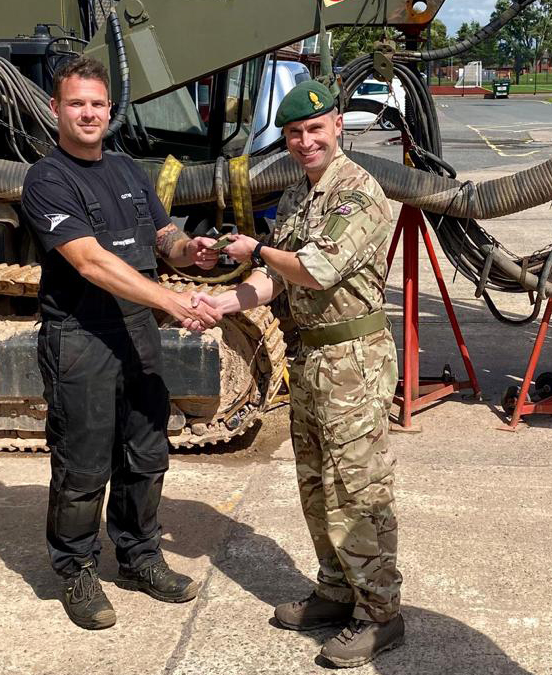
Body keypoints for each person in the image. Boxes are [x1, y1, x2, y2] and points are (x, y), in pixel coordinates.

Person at [188, 80, 403, 668]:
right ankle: (336, 591)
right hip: (309, 358)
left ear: (337, 126)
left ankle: (381, 613)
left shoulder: (358, 193)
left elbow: (313, 268)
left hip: (353, 362)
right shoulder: (296, 197)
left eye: (315, 129)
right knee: (316, 484)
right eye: (294, 134)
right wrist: (222, 305)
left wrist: (254, 250)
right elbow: (275, 280)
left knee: (358, 488)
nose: (306, 141)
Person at [20, 57, 222, 630]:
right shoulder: (48, 178)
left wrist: (192, 252)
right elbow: (89, 261)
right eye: (77, 103)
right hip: (81, 337)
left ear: (110, 110)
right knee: (83, 466)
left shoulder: (128, 170)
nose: (88, 113)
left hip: (137, 332)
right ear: (57, 110)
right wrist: (171, 302)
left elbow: (164, 238)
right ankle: (77, 570)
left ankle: (138, 556)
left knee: (145, 453)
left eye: (97, 104)